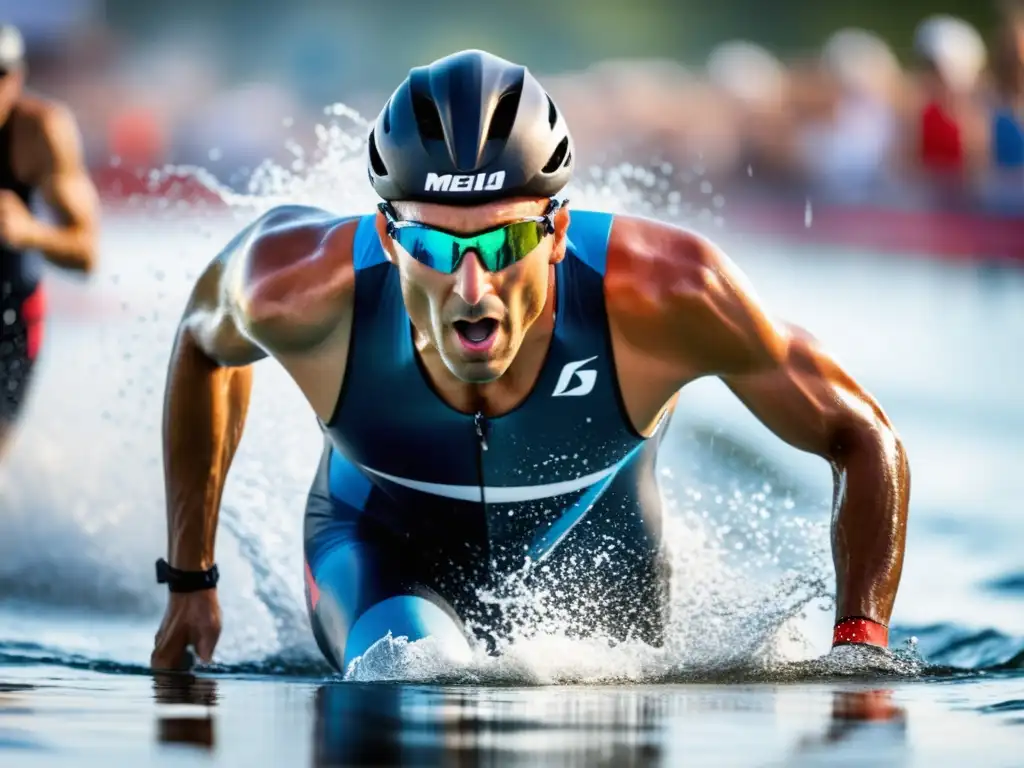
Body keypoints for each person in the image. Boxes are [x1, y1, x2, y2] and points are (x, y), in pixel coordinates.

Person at [150, 50, 910, 675]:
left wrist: (859, 653)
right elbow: (199, 344)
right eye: (434, 247)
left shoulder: (667, 293)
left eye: (505, 244)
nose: (471, 286)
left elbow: (864, 436)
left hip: (602, 557)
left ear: (556, 232)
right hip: (378, 549)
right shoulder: (298, 289)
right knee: (411, 678)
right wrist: (191, 579)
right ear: (387, 239)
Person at [0, 24, 100, 460]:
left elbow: (86, 253)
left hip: (9, 309)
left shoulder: (39, 131)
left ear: (17, 81)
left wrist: (28, 231)